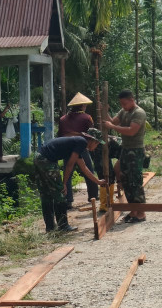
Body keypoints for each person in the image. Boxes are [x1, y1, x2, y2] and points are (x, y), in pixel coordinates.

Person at [33, 129, 106, 232]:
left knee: (46, 194)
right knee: (60, 193)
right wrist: (64, 183)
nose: (96, 147)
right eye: (97, 144)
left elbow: (84, 167)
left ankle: (50, 228)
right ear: (93, 141)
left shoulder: (77, 143)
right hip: (47, 161)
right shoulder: (82, 142)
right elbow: (69, 165)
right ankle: (63, 226)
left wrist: (98, 181)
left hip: (38, 158)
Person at [104, 90, 147, 223]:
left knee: (135, 181)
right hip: (125, 149)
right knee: (125, 180)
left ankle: (141, 213)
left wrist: (112, 126)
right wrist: (104, 110)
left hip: (135, 150)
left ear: (132, 100)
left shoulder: (138, 113)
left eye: (125, 103)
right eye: (121, 104)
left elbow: (131, 131)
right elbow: (112, 121)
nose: (123, 106)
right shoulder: (124, 112)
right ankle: (133, 210)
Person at [58, 93, 98, 206]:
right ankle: (93, 195)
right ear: (82, 106)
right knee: (88, 170)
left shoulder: (62, 119)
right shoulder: (87, 117)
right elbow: (92, 134)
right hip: (81, 147)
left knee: (67, 173)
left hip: (67, 148)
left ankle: (68, 199)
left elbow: (60, 135)